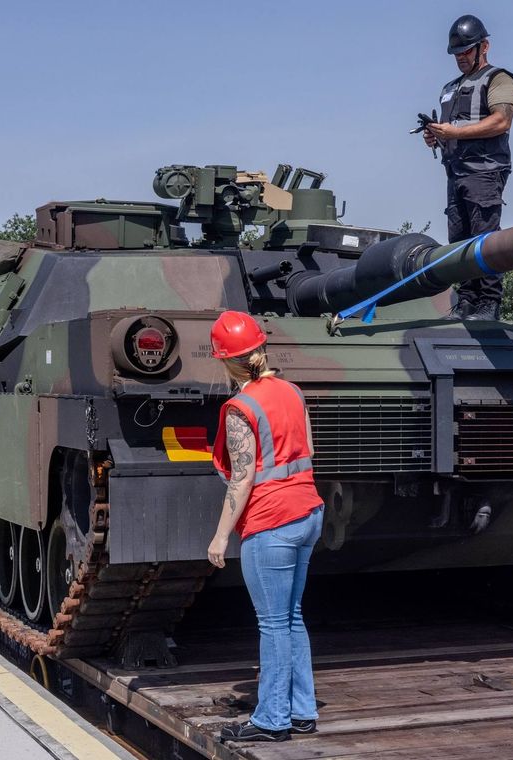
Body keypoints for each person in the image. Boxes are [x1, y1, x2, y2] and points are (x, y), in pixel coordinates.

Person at [207, 310, 325, 743]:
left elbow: (242, 479)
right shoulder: (292, 391)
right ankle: (301, 710)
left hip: (271, 523)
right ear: (260, 349)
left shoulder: (240, 407)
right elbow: (309, 448)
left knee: (273, 623)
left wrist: (220, 536)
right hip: (309, 512)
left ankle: (273, 719)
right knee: (292, 616)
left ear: (225, 360)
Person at [423, 14, 513, 321]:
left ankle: (489, 303)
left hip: (485, 171)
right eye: (457, 53)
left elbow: (502, 121)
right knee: (459, 240)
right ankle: (466, 300)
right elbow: (452, 129)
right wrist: (435, 136)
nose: (461, 58)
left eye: (467, 51)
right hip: (456, 173)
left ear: (484, 47)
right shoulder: (449, 88)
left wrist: (455, 133)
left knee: (485, 239)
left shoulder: (499, 78)